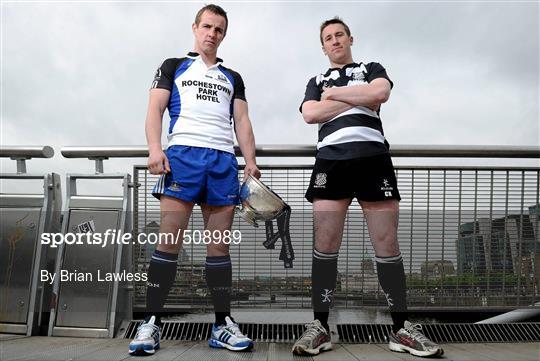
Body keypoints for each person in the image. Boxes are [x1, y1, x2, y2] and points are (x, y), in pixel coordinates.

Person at [291, 17, 443, 358]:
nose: (335, 41)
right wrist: (357, 99)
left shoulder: (370, 67)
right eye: (328, 38)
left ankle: (401, 329)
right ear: (323, 45)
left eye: (339, 35)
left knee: (387, 243)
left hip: (373, 158)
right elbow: (311, 114)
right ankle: (320, 327)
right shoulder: (316, 80)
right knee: (325, 244)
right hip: (331, 162)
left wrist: (337, 95)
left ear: (350, 38)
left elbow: (381, 92)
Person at [129, 4, 260, 355]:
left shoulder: (232, 77)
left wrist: (250, 161)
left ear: (224, 34)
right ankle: (151, 324)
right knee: (168, 244)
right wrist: (155, 149)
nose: (211, 33)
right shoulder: (173, 65)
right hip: (183, 158)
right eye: (207, 26)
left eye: (218, 29)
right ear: (195, 28)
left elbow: (242, 122)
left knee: (218, 246)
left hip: (221, 162)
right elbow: (154, 109)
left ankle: (221, 324)